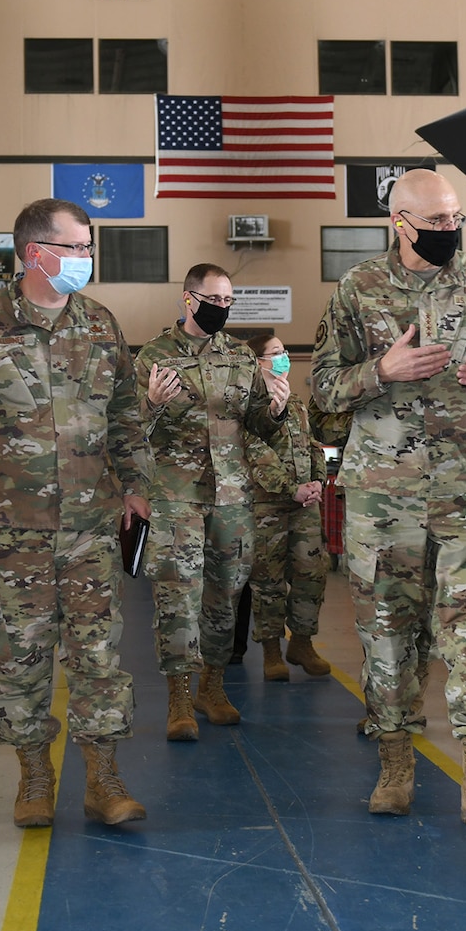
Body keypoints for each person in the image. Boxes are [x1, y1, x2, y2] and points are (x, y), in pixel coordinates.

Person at [0, 199, 152, 828]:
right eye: (75, 248)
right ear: (34, 253)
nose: (85, 259)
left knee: (97, 655)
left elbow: (126, 412)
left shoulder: (101, 324)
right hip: (8, 529)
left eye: (87, 247)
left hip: (90, 524)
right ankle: (33, 778)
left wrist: (136, 485)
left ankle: (103, 780)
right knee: (19, 655)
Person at [312, 168, 466, 836]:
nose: (450, 231)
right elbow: (321, 387)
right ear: (398, 222)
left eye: (456, 218)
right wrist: (380, 371)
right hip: (385, 497)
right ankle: (396, 765)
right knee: (386, 635)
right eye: (435, 221)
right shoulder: (357, 290)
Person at [135, 265, 286, 739]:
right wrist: (151, 404)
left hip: (233, 496)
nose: (222, 308)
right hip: (176, 495)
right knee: (177, 594)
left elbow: (259, 425)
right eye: (214, 299)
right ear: (188, 298)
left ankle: (212, 686)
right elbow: (127, 433)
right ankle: (179, 699)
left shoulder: (241, 357)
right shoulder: (152, 357)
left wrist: (276, 408)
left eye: (228, 301)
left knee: (226, 593)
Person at [245, 333, 331, 683]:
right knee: (268, 583)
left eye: (284, 351)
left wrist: (318, 482)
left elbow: (312, 446)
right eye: (275, 353)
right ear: (257, 361)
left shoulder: (295, 402)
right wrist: (289, 489)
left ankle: (303, 643)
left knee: (312, 573)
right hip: (267, 506)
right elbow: (254, 453)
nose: (283, 358)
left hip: (305, 505)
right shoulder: (249, 405)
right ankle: (270, 652)